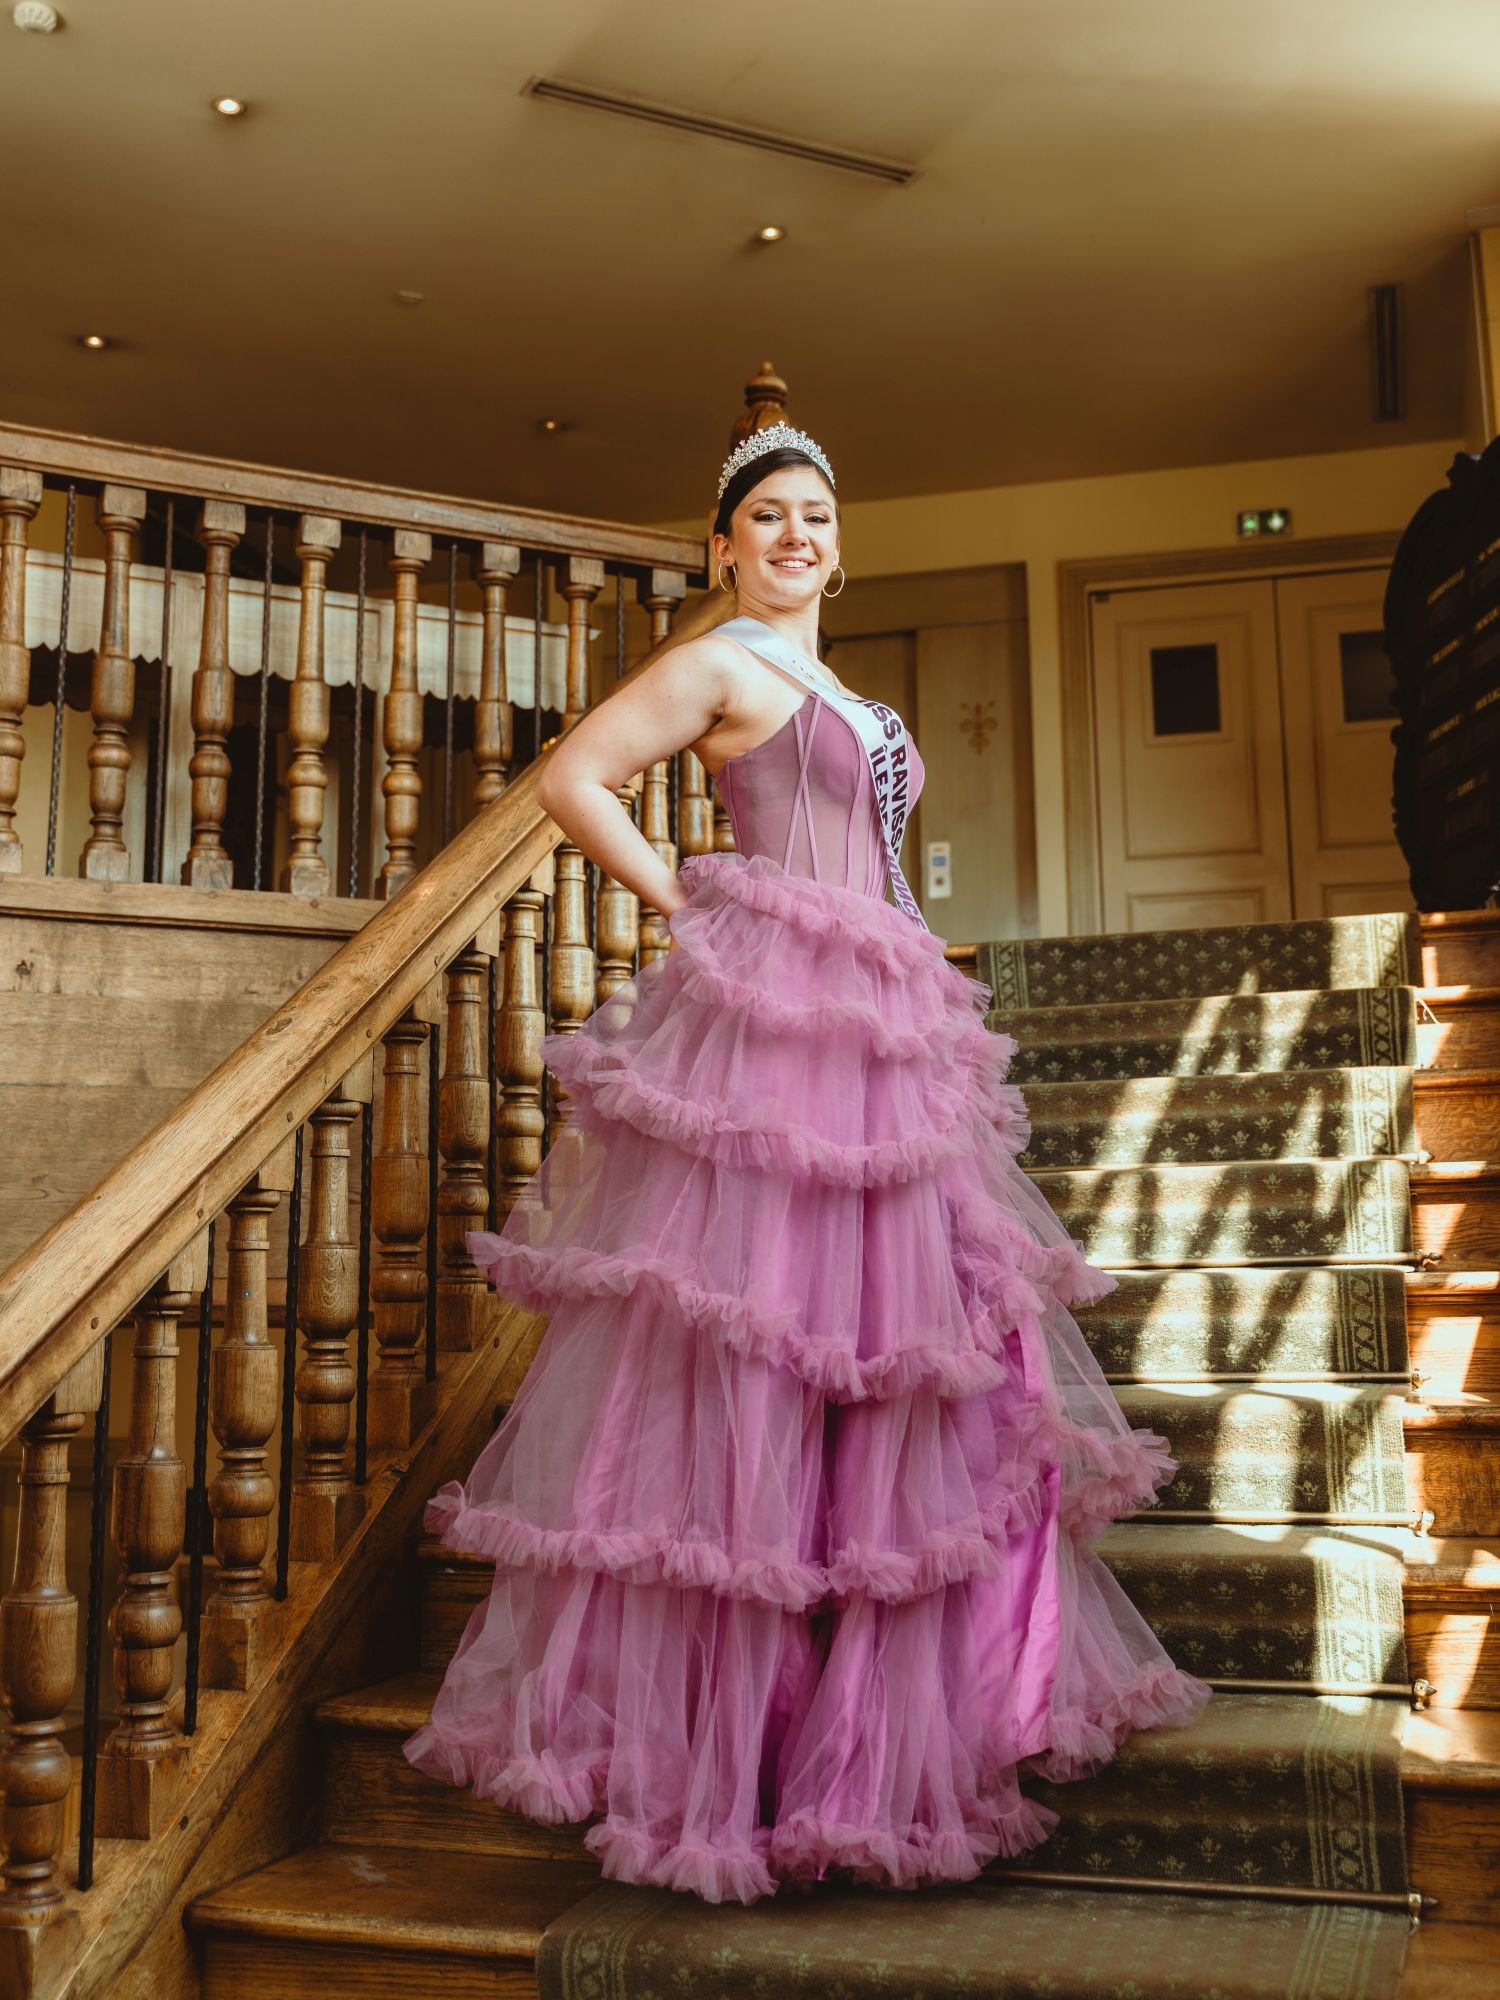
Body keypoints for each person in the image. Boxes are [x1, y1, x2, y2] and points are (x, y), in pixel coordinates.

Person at [402, 422, 1211, 1904]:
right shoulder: (723, 664)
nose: (792, 535)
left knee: (912, 1372)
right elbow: (574, 780)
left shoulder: (854, 689)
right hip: (776, 1046)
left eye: (814, 517)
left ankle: (889, 1753)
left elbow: (879, 857)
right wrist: (697, 904)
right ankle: (741, 1770)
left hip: (888, 1037)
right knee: (765, 1363)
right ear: (723, 545)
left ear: (842, 543)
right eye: (765, 516)